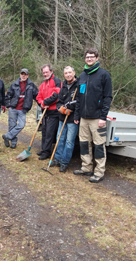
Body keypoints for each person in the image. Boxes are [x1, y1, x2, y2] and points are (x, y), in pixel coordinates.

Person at [73, 48, 112, 183]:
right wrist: (77, 115)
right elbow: (79, 97)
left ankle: (99, 172)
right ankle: (86, 167)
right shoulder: (82, 76)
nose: (89, 59)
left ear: (97, 58)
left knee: (99, 145)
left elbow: (107, 97)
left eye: (92, 57)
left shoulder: (104, 75)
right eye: (87, 57)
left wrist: (103, 117)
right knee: (84, 144)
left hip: (97, 118)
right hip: (83, 118)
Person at [50, 66, 79, 172]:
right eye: (66, 73)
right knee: (60, 139)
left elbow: (80, 101)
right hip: (62, 118)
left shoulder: (78, 86)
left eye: (70, 72)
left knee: (69, 142)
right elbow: (59, 101)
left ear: (74, 73)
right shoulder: (63, 86)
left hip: (73, 120)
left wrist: (71, 106)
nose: (68, 75)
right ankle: (57, 159)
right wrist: (61, 109)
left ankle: (64, 162)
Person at [2, 68, 38, 149]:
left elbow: (37, 96)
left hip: (23, 109)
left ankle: (7, 136)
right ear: (20, 74)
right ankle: (13, 142)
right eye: (22, 74)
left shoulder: (31, 85)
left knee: (21, 125)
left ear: (28, 75)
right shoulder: (14, 84)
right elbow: (8, 96)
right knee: (12, 125)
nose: (23, 76)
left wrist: (42, 103)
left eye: (25, 74)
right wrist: (9, 106)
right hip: (13, 108)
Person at [36, 64, 61, 160]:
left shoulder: (57, 81)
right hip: (45, 112)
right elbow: (38, 97)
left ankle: (47, 152)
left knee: (50, 133)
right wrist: (42, 103)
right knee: (44, 132)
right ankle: (44, 149)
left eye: (47, 72)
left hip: (54, 112)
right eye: (43, 72)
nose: (45, 74)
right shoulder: (42, 84)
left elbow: (56, 95)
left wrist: (45, 102)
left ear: (51, 71)